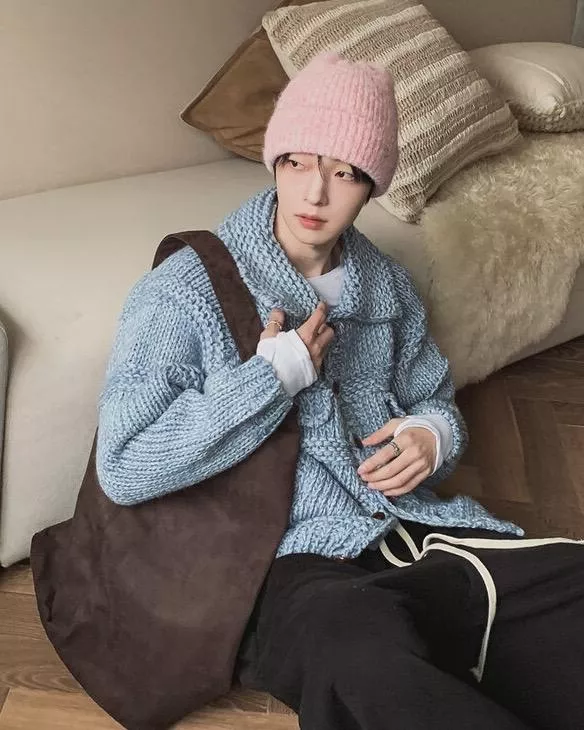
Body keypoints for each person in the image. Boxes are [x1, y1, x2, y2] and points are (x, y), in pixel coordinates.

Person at [96, 52, 584, 730]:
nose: (316, 194)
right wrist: (269, 379)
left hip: (416, 533)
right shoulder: (184, 290)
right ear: (274, 161)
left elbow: (432, 400)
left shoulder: (387, 288)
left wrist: (431, 436)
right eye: (298, 162)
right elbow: (126, 466)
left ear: (371, 183)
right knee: (363, 660)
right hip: (286, 563)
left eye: (346, 171)